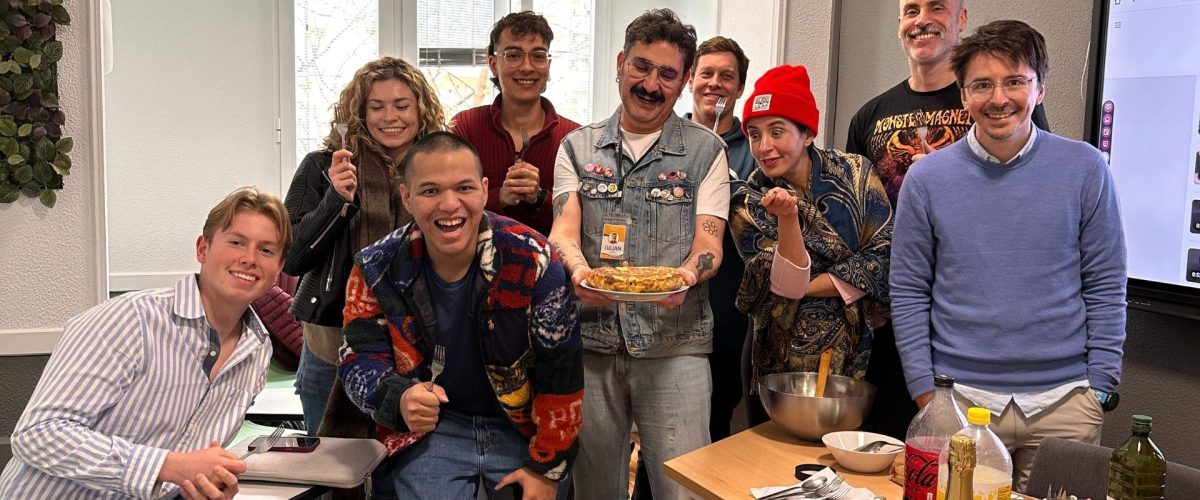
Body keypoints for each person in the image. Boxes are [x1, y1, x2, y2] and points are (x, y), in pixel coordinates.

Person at [890, 20, 1126, 492]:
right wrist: (923, 393)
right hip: (958, 404)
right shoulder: (926, 180)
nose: (998, 98)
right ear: (963, 95)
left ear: (1039, 89)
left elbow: (1105, 281)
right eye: (982, 84)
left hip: (1065, 405)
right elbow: (909, 290)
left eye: (1014, 80)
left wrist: (1098, 386)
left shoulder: (1085, 168)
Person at [842, 0, 1051, 440]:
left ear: (962, 19)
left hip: (977, 320)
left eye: (937, 7)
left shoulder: (999, 103)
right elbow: (856, 219)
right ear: (899, 24)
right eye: (910, 9)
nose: (922, 20)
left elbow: (1033, 197)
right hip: (897, 318)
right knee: (903, 454)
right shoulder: (869, 115)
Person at [0, 187, 291, 499]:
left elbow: (188, 462)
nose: (249, 259)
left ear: (278, 268)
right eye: (236, 242)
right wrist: (169, 466)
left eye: (266, 250)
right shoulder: (128, 320)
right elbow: (37, 434)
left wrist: (201, 485)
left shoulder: (257, 350)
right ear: (202, 249)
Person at [339, 132, 583, 499]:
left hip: (520, 429)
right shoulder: (376, 267)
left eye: (464, 188)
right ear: (407, 196)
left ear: (485, 190)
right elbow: (358, 357)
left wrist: (547, 468)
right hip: (432, 431)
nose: (449, 204)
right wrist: (399, 398)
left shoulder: (535, 261)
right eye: (430, 191)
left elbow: (561, 372)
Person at [548, 9, 729, 498]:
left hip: (677, 346)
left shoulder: (706, 151)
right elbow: (562, 232)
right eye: (642, 67)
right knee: (595, 490)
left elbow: (709, 244)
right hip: (592, 346)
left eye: (667, 74)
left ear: (685, 80)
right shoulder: (575, 147)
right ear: (621, 62)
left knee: (683, 490)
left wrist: (687, 278)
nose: (651, 84)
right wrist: (580, 272)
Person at [284, 56, 445, 437]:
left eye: (402, 105)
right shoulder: (323, 166)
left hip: (415, 344)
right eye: (377, 106)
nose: (390, 116)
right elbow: (291, 258)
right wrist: (335, 201)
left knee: (405, 465)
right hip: (330, 344)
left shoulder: (440, 171)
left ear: (421, 110)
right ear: (359, 113)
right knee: (330, 465)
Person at [729, 65, 893, 426]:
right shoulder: (747, 201)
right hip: (778, 354)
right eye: (754, 135)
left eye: (776, 131)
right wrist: (791, 227)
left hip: (859, 349)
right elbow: (781, 283)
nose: (763, 147)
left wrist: (805, 284)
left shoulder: (856, 173)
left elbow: (886, 254)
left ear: (806, 134)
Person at [450, 11, 581, 236]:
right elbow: (448, 206)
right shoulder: (465, 127)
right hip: (472, 266)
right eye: (513, 55)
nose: (527, 67)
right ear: (493, 64)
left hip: (553, 268)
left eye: (538, 56)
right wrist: (498, 197)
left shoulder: (575, 138)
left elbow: (585, 225)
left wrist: (539, 198)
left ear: (548, 65)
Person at [684, 35, 756, 443]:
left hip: (727, 309)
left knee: (714, 419)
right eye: (707, 73)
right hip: (670, 305)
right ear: (691, 78)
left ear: (740, 88)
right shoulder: (666, 140)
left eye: (727, 76)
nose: (715, 83)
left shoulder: (754, 148)